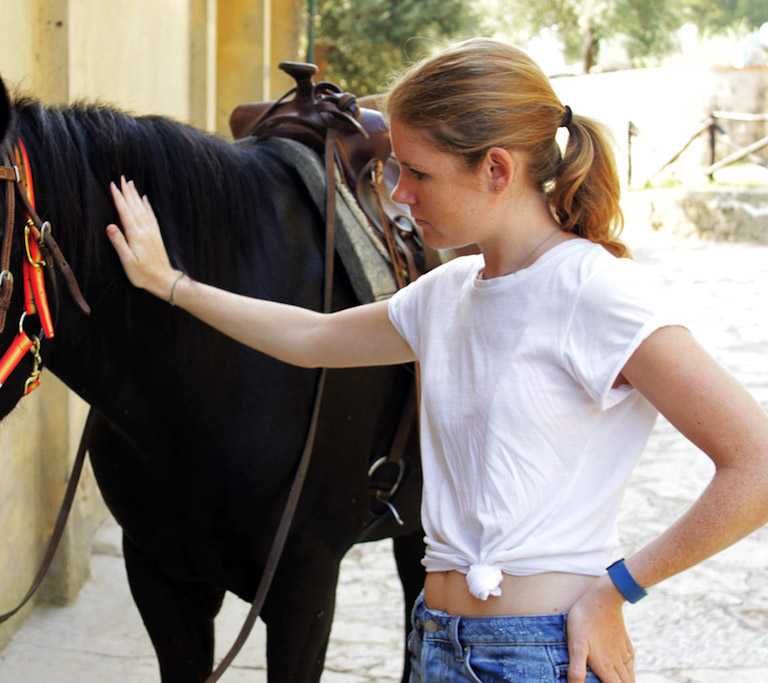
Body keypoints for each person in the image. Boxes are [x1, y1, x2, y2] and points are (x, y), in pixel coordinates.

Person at [103, 38, 768, 683]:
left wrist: (619, 587)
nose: (398, 193)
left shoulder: (592, 294)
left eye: (417, 172)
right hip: (440, 643)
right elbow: (310, 338)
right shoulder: (447, 294)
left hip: (542, 653)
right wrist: (171, 284)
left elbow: (756, 463)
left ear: (497, 170)